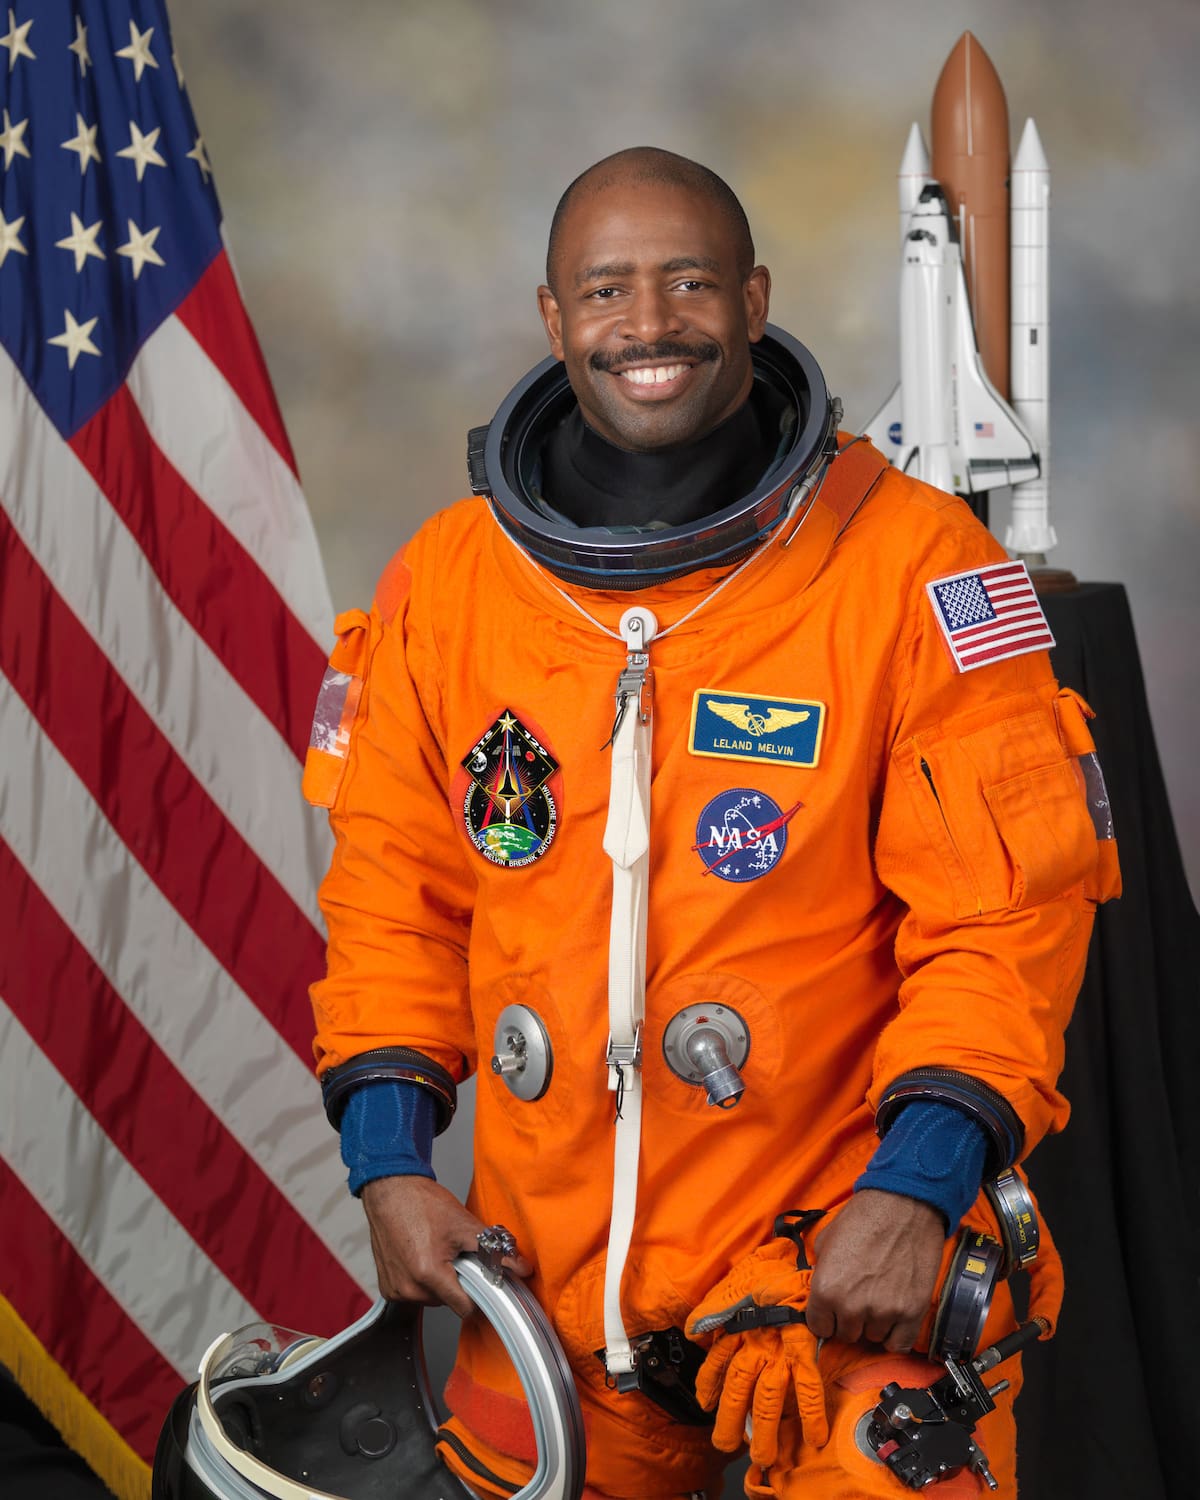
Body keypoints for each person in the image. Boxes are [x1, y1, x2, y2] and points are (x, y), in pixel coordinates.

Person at [303, 148, 1118, 1500]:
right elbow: (392, 894)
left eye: (688, 282)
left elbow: (1002, 927)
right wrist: (388, 1160)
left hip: (838, 1271)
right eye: (607, 291)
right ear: (554, 322)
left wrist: (913, 1193)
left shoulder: (916, 570)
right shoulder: (449, 585)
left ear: (753, 298)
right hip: (545, 1292)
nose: (650, 325)